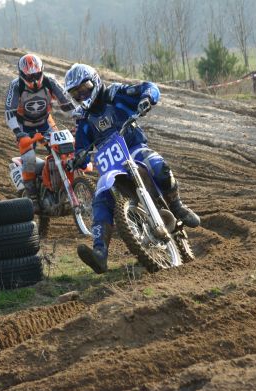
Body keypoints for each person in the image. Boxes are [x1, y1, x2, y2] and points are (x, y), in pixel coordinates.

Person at [64, 63, 200, 274]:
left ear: (95, 81)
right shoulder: (83, 118)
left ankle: (177, 206)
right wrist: (76, 159)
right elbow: (81, 148)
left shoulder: (114, 94)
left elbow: (148, 87)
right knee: (100, 199)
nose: (82, 95)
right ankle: (100, 253)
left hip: (134, 148)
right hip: (111, 164)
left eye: (85, 88)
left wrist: (147, 98)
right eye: (76, 93)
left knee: (159, 167)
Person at [5, 53, 75, 211]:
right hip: (24, 127)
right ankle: (32, 197)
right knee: (29, 158)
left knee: (63, 151)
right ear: (22, 75)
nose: (34, 80)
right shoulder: (16, 86)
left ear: (42, 71)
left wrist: (79, 118)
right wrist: (18, 132)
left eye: (37, 75)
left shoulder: (50, 82)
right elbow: (9, 113)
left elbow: (67, 103)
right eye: (29, 77)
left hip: (46, 122)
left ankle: (62, 187)